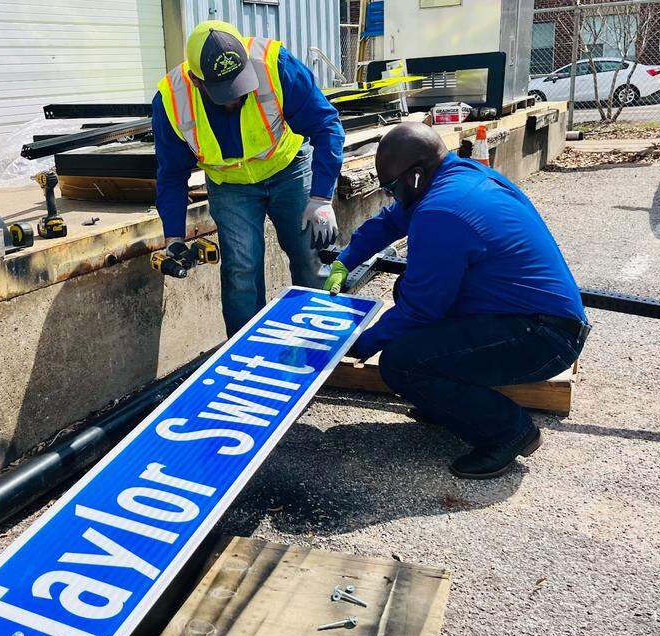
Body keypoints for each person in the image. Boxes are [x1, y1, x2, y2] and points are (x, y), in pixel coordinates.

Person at [324, 123, 590, 480]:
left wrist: (356, 345)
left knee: (402, 363)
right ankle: (448, 400)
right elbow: (392, 221)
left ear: (415, 176)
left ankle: (509, 431)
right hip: (530, 315)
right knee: (407, 291)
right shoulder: (454, 175)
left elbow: (421, 309)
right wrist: (347, 258)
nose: (390, 195)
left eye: (391, 187)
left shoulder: (442, 211)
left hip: (544, 337)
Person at [152, 20, 346, 336]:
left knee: (311, 253)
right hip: (230, 186)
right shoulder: (171, 99)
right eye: (224, 93)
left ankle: (324, 338)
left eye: (239, 86)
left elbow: (326, 127)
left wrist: (322, 198)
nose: (235, 99)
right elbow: (172, 175)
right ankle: (246, 348)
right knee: (241, 269)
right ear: (196, 80)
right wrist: (174, 238)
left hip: (289, 169)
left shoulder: (274, 63)